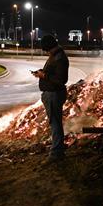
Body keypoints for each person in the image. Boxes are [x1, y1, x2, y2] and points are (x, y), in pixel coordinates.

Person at [32, 34, 69, 162]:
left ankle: (56, 153)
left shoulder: (59, 57)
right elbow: (53, 73)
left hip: (54, 94)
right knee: (55, 123)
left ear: (49, 47)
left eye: (47, 49)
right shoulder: (55, 55)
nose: (47, 52)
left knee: (55, 124)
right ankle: (58, 150)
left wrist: (44, 76)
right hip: (52, 94)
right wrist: (42, 72)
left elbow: (61, 80)